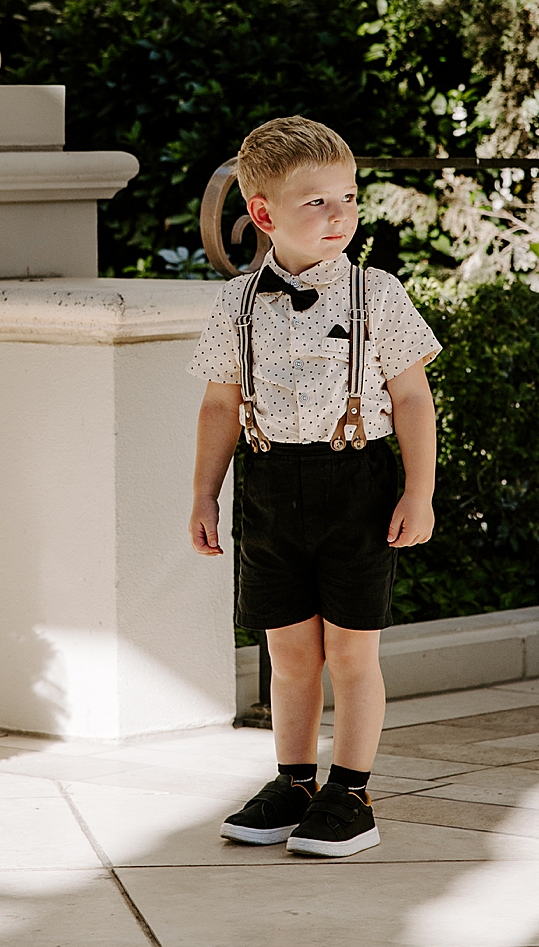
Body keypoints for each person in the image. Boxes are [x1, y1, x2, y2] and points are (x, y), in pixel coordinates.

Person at [188, 116, 439, 858]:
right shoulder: (235, 303)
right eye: (317, 202)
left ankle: (351, 791)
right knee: (290, 654)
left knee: (353, 653)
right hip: (268, 487)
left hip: (356, 485)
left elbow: (413, 397)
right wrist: (204, 494)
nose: (340, 215)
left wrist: (419, 491)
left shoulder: (376, 295)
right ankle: (294, 781)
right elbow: (219, 406)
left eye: (349, 197)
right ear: (263, 214)